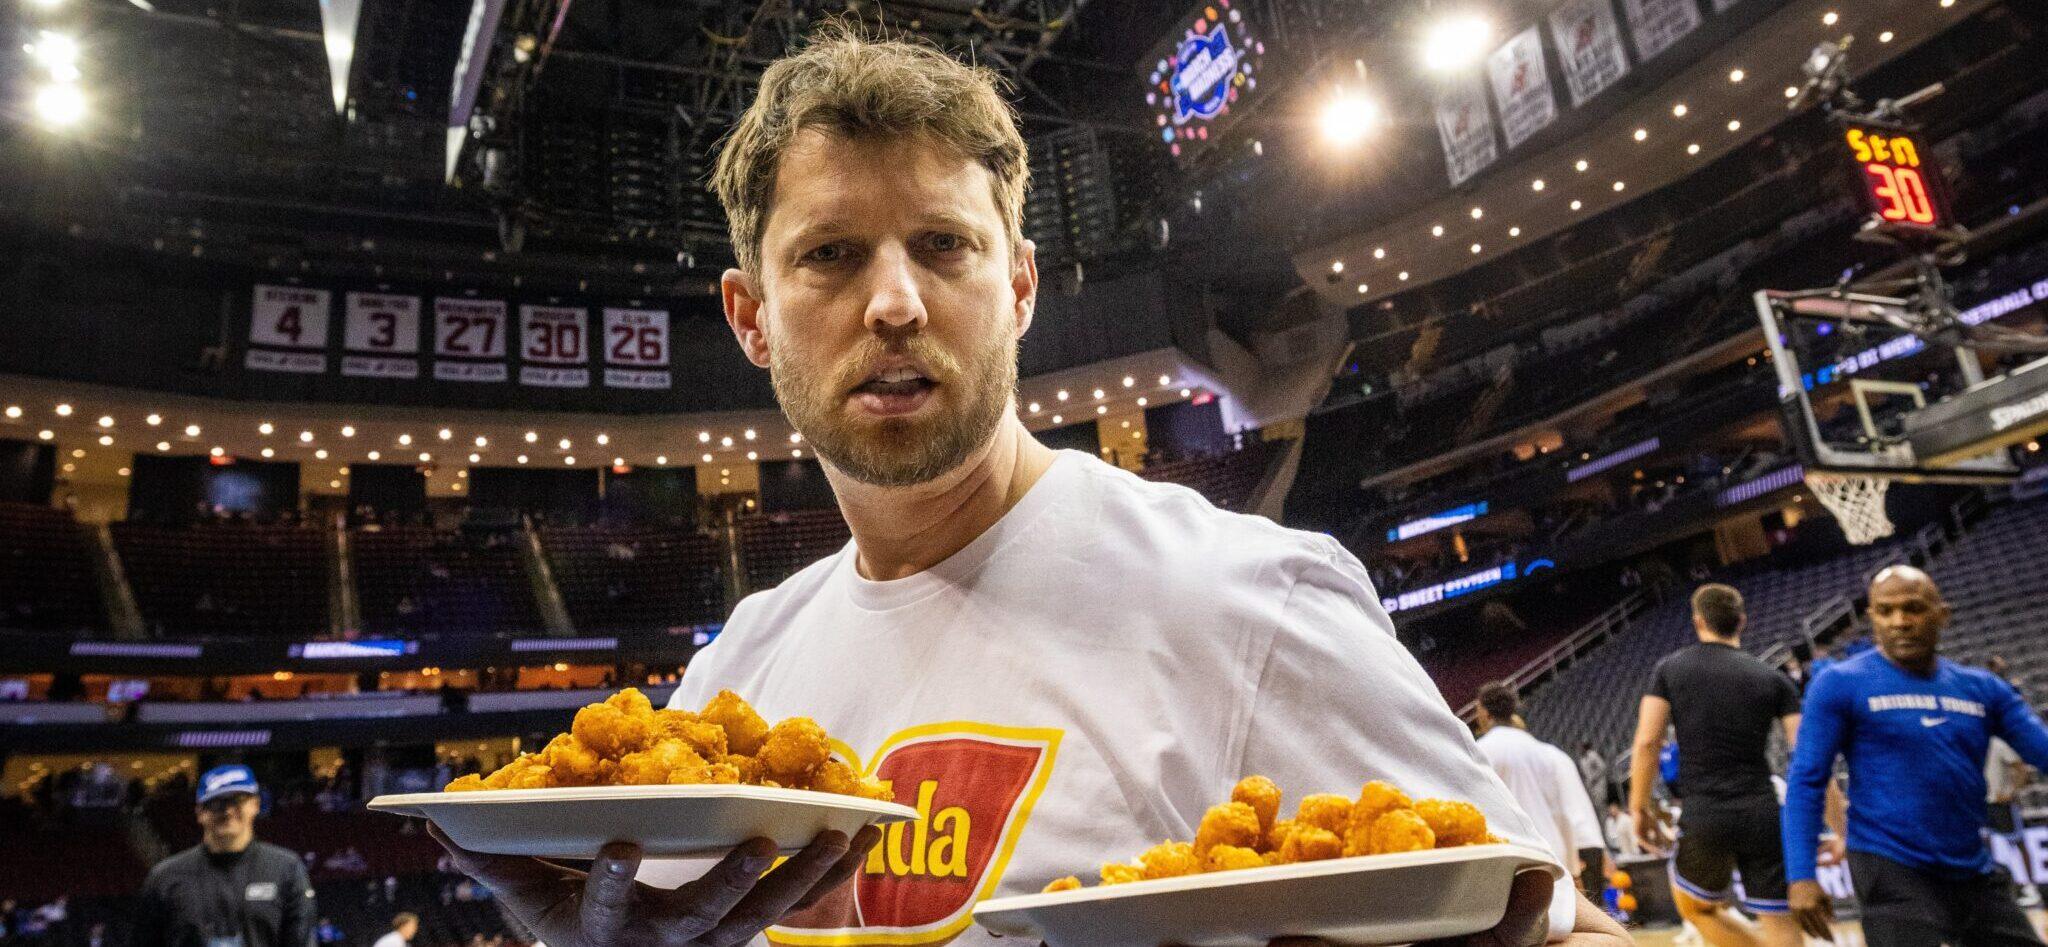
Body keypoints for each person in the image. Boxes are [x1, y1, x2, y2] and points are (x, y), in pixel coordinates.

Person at [429, 26, 1627, 947]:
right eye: (830, 254)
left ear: (1018, 289)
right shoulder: (730, 678)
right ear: (751, 317)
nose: (893, 300)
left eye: (943, 246)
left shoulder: (1250, 597)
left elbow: (1555, 922)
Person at [1785, 565, 2048, 947]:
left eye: (1913, 608)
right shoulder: (1840, 684)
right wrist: (1800, 873)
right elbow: (1807, 779)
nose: (1900, 622)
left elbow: (2041, 750)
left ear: (1942, 614)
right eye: (1885, 611)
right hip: (1889, 864)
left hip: (1969, 866)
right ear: (1872, 617)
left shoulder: (1982, 688)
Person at [1629, 584, 1804, 947]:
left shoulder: (1670, 669)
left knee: (1697, 908)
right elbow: (1802, 755)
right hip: (1762, 809)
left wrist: (1639, 807)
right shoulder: (1774, 678)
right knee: (1778, 915)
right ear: (1741, 621)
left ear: (1698, 621)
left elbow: (1647, 742)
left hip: (1706, 810)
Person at [131, 765, 317, 947]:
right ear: (200, 813)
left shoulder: (286, 869)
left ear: (255, 805)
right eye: (216, 803)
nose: (228, 811)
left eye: (237, 800)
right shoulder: (165, 877)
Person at [1474, 683, 1611, 901]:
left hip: (1515, 858)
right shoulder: (1550, 754)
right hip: (1556, 854)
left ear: (1485, 712)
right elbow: (1565, 810)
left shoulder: (1480, 752)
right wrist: (1573, 865)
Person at [1578, 742, 1610, 809]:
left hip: (1599, 782)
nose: (1579, 749)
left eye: (1580, 747)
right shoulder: (1582, 760)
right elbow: (1584, 774)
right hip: (1590, 786)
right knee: (1595, 806)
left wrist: (1595, 777)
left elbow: (1602, 767)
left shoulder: (1593, 755)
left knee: (1601, 803)